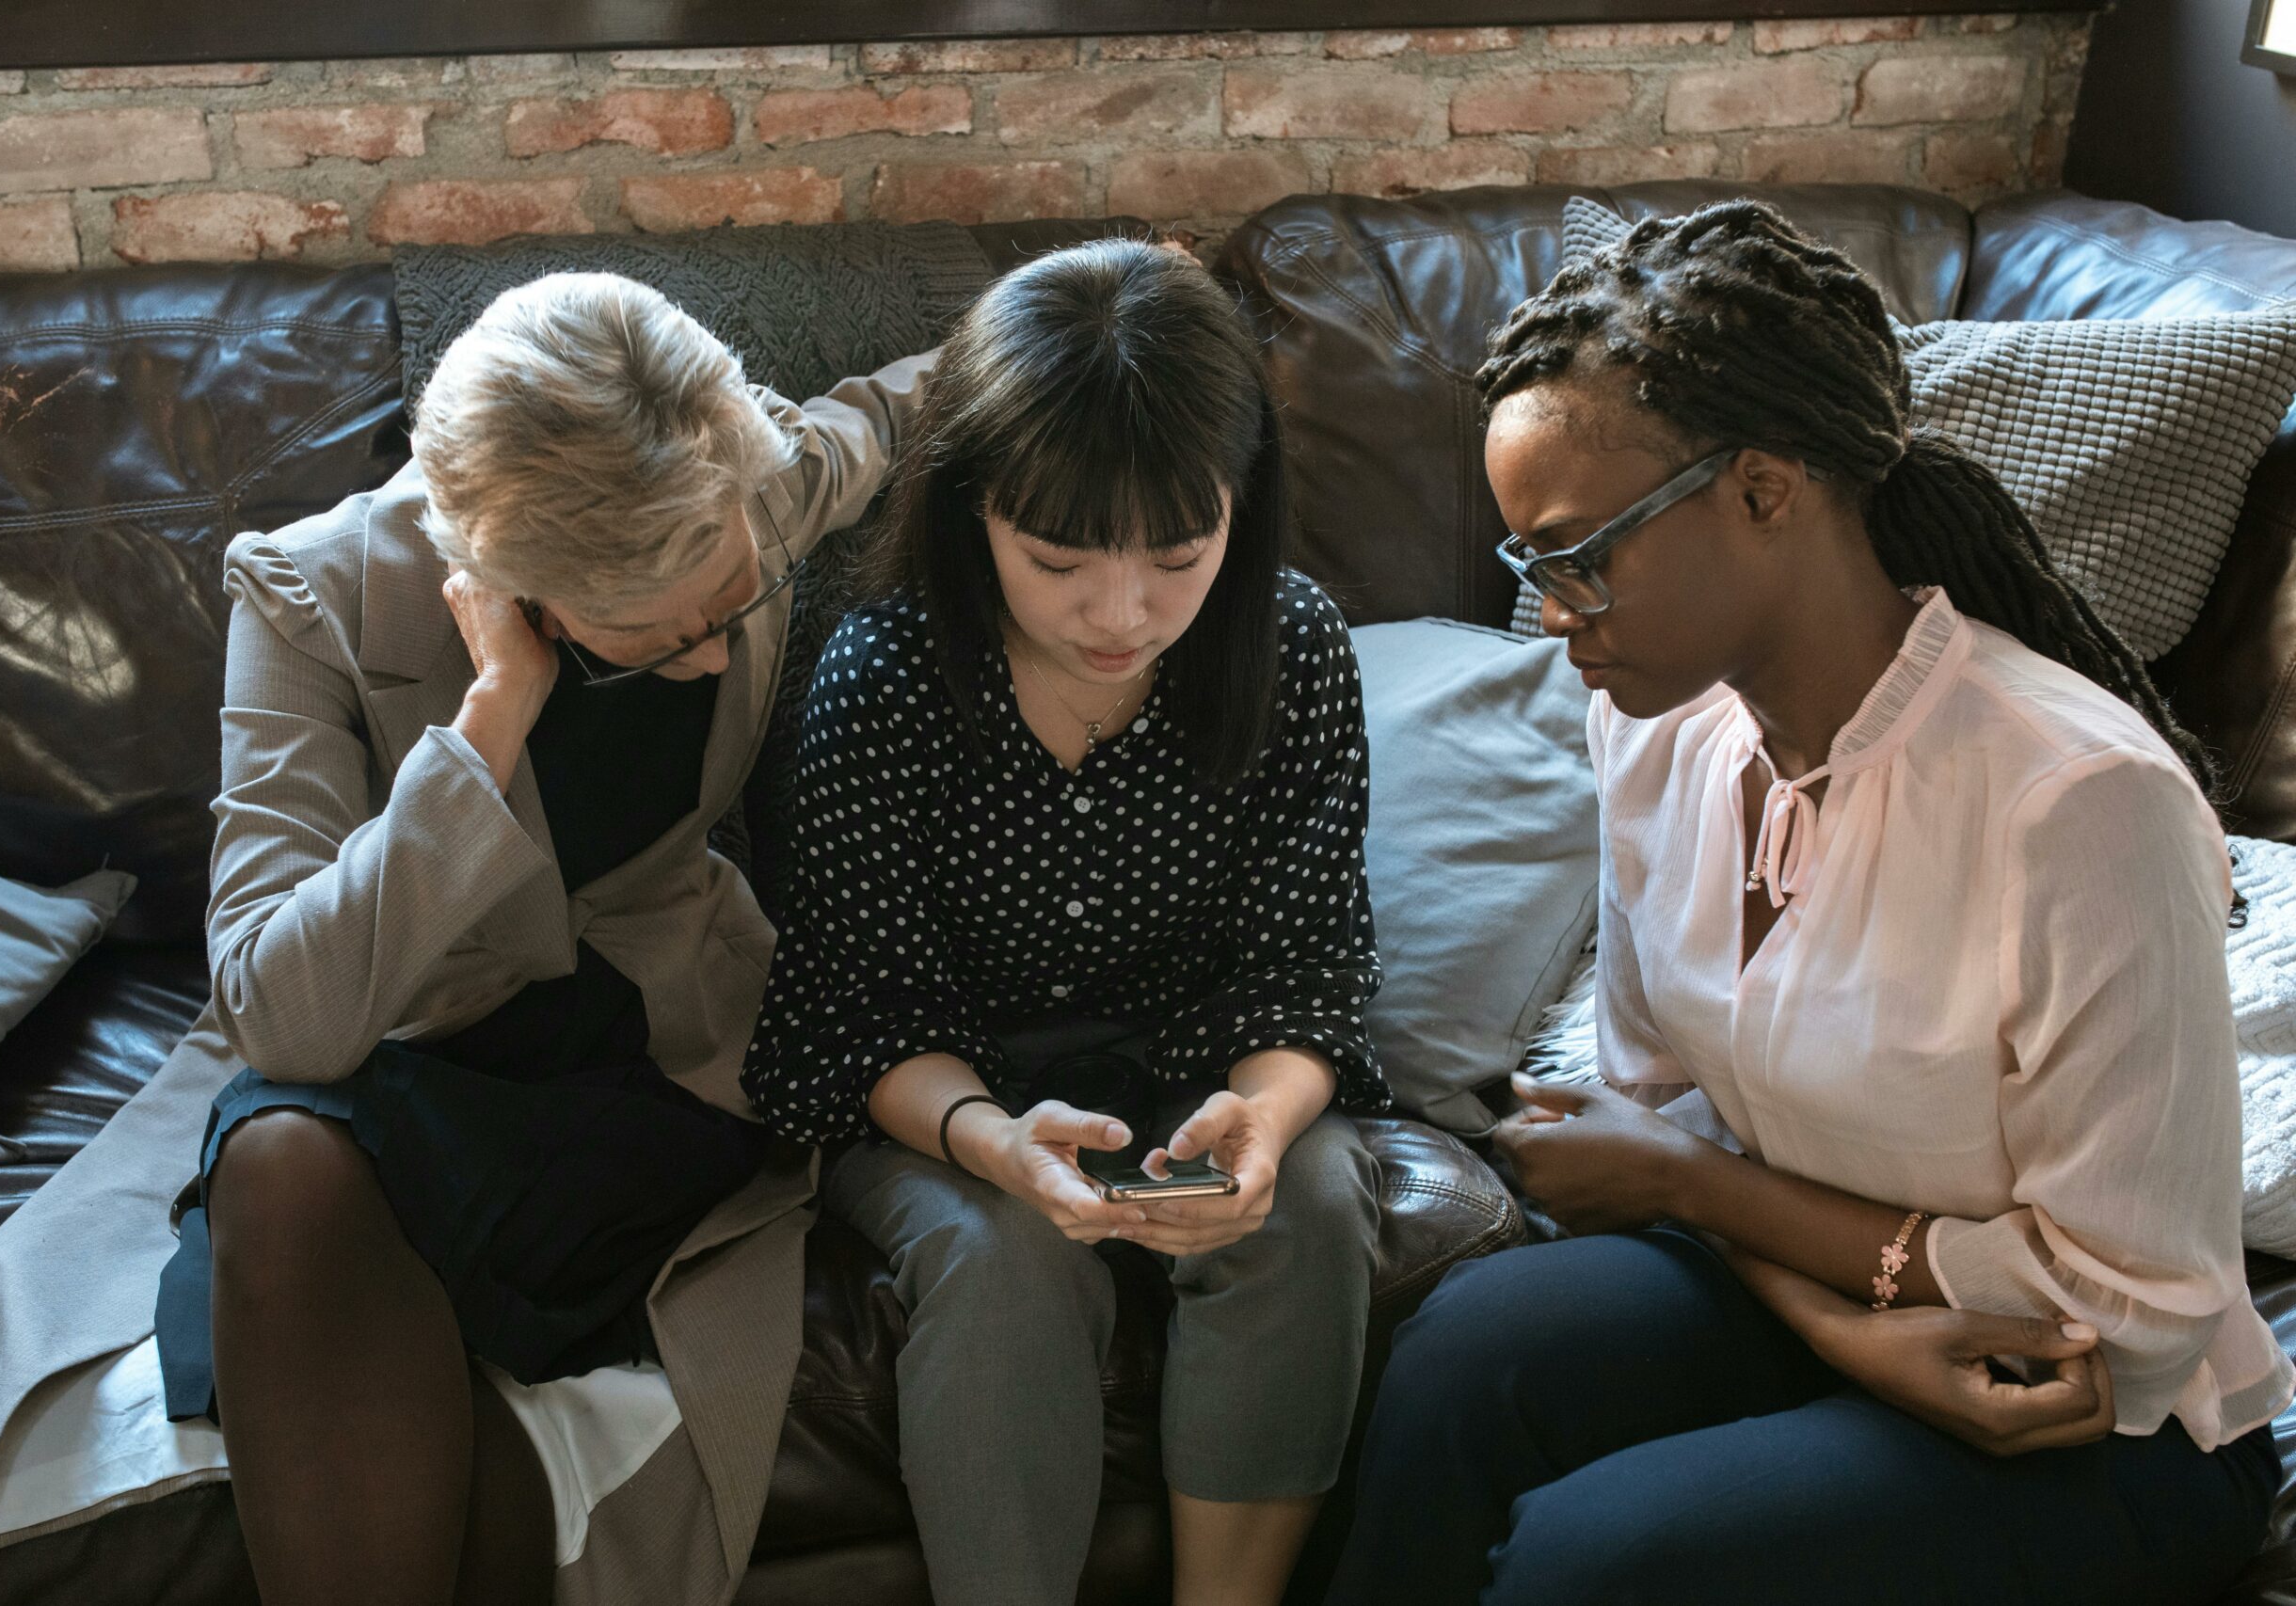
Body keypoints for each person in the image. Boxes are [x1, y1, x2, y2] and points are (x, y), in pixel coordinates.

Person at [1327, 202, 2293, 1605]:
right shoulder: (1659, 724)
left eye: (1579, 556)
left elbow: (2132, 1317)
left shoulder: (2078, 805)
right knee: (1464, 1358)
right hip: (1845, 1301)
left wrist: (1703, 1196)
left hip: (2101, 1417)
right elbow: (1657, 1128)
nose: (1550, 616)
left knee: (1597, 1566)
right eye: (1531, 567)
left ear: (1766, 492)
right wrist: (1841, 1323)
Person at [148, 272, 932, 1605]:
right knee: (278, 1163)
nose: (702, 656)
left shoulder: (749, 483)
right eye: (647, 638)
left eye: (730, 602)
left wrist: (1123, 293)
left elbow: (900, 409)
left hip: (652, 1059)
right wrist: (492, 720)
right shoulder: (308, 600)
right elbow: (279, 1015)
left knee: (347, 1391)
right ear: (503, 587)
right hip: (415, 1049)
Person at [741, 239, 1392, 1606]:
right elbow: (860, 1013)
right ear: (977, 511)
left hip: (1188, 1069)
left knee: (1314, 1207)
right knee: (1004, 1255)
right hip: (939, 1095)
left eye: (1179, 555)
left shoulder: (1292, 647)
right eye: (1059, 561)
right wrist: (990, 1138)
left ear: (1239, 506)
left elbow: (1307, 973)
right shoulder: (890, 674)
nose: (1121, 614)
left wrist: (1264, 1125)